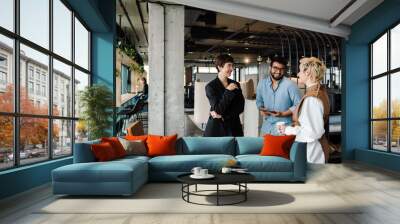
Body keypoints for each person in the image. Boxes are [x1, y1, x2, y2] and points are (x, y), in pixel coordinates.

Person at [277, 57, 330, 164]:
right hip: (311, 152)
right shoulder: (318, 93)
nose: (298, 74)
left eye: (301, 71)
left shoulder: (312, 98)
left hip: (312, 154)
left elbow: (312, 132)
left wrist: (287, 130)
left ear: (308, 73)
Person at [256, 56, 301, 135]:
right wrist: (261, 109)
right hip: (266, 127)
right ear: (270, 68)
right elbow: (259, 101)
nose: (278, 71)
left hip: (284, 128)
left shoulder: (290, 85)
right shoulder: (262, 83)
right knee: (262, 147)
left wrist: (283, 114)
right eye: (275, 68)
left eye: (281, 69)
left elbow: (298, 105)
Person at [204, 54, 244, 137]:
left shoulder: (235, 84)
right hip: (217, 128)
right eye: (229, 65)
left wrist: (224, 116)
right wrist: (228, 91)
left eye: (232, 66)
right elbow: (218, 109)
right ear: (220, 67)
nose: (232, 69)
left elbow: (240, 107)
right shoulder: (210, 87)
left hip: (234, 127)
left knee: (235, 149)